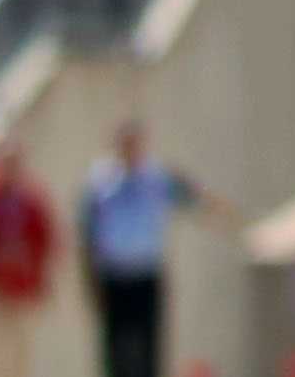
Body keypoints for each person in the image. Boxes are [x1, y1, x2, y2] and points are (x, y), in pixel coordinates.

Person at [80, 120, 209, 377]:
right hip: (114, 276)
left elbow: (193, 197)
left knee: (149, 349)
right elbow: (87, 232)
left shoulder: (156, 178)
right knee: (115, 350)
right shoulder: (100, 181)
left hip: (146, 275)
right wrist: (89, 279)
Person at [0, 145, 65, 377]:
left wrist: (43, 281)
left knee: (22, 357)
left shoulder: (31, 201)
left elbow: (46, 241)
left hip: (23, 290)